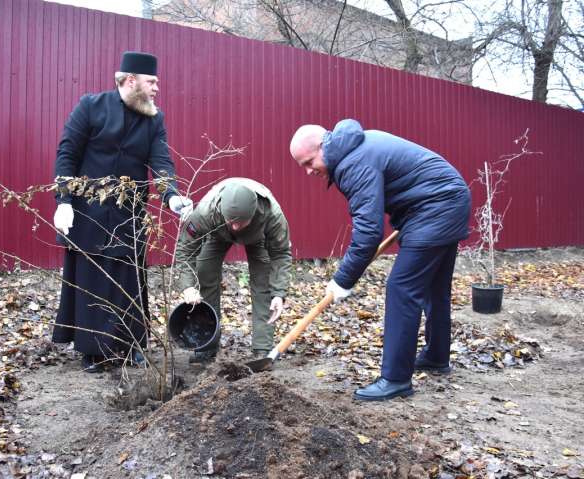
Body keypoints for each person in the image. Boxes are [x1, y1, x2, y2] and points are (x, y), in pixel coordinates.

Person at [289, 119, 471, 400]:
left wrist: (342, 280)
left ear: (324, 146)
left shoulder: (353, 163)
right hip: (446, 200)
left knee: (401, 288)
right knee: (434, 287)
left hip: (436, 207)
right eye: (302, 166)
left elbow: (368, 233)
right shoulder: (356, 148)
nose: (308, 171)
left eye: (309, 162)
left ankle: (396, 379)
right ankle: (436, 357)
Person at [51, 51, 192, 373]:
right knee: (91, 279)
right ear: (131, 81)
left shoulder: (154, 119)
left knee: (130, 281)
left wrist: (171, 197)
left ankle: (131, 346)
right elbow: (67, 154)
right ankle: (93, 350)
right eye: (151, 81)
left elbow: (161, 162)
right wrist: (63, 201)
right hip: (87, 212)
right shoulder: (91, 106)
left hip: (129, 214)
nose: (156, 88)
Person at [175, 177, 292, 362]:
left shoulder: (272, 215)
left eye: (241, 222)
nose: (236, 227)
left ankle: (262, 349)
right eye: (232, 221)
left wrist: (279, 293)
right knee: (204, 273)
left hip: (258, 237)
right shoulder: (206, 211)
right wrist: (188, 287)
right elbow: (185, 250)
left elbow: (281, 254)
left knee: (264, 284)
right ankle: (207, 345)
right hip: (218, 232)